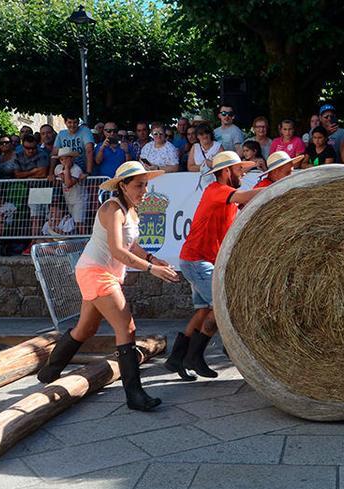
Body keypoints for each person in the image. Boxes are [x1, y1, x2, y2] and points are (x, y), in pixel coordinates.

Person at [36, 161, 179, 412]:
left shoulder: (131, 210)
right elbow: (117, 250)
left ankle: (49, 372)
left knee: (85, 329)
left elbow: (132, 246)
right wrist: (151, 269)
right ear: (122, 186)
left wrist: (152, 259)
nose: (143, 190)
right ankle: (134, 395)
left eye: (145, 185)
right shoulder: (112, 208)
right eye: (138, 185)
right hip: (95, 272)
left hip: (99, 272)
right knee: (127, 326)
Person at [165, 151, 262, 380]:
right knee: (221, 307)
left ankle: (176, 359)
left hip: (198, 259)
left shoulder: (226, 194)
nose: (243, 174)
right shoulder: (217, 191)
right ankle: (194, 356)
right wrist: (279, 188)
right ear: (226, 171)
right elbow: (245, 196)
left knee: (203, 311)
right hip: (198, 260)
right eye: (239, 170)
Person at [54, 147, 89, 232]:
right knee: (72, 222)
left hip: (79, 199)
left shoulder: (77, 169)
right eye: (62, 159)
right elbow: (64, 178)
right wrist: (66, 175)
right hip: (68, 199)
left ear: (72, 158)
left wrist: (66, 169)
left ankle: (84, 242)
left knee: (79, 223)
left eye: (66, 158)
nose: (64, 161)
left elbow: (68, 184)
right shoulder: (58, 167)